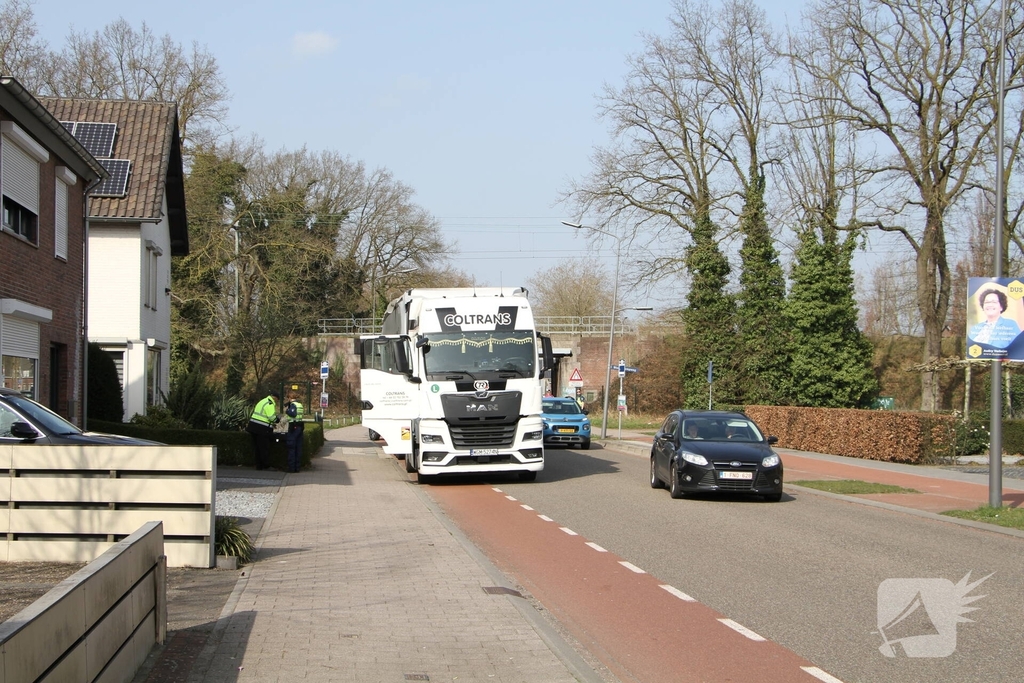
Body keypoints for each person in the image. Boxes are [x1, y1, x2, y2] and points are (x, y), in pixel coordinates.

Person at [247, 390, 280, 470]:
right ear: (275, 398)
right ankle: (265, 465)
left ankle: (259, 465)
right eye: (277, 400)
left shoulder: (262, 401)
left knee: (257, 447)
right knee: (264, 447)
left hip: (253, 426)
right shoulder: (270, 404)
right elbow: (271, 417)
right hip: (262, 429)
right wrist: (277, 420)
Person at [284, 391, 305, 473]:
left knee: (291, 447)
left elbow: (293, 414)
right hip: (299, 427)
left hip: (293, 427)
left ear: (289, 398)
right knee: (298, 448)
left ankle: (291, 468)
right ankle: (297, 467)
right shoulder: (300, 404)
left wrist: (287, 411)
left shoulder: (293, 405)